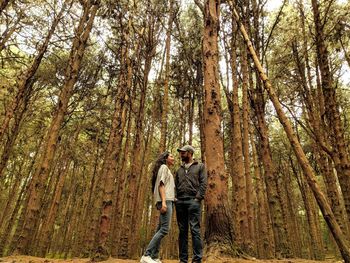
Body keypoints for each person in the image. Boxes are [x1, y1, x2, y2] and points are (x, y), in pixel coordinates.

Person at [140, 151, 175, 263]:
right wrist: (164, 202)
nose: (173, 158)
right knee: (165, 229)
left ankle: (154, 256)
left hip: (167, 199)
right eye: (171, 156)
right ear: (165, 158)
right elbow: (161, 185)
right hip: (165, 200)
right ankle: (147, 255)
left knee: (160, 228)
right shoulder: (164, 167)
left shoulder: (164, 168)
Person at [175, 145, 207, 263]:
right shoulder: (179, 169)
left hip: (193, 201)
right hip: (180, 202)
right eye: (180, 153)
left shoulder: (200, 166)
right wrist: (176, 198)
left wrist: (198, 198)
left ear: (190, 153)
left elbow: (203, 183)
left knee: (195, 230)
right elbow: (175, 184)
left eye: (183, 153)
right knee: (182, 231)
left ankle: (197, 259)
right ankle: (183, 260)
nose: (181, 155)